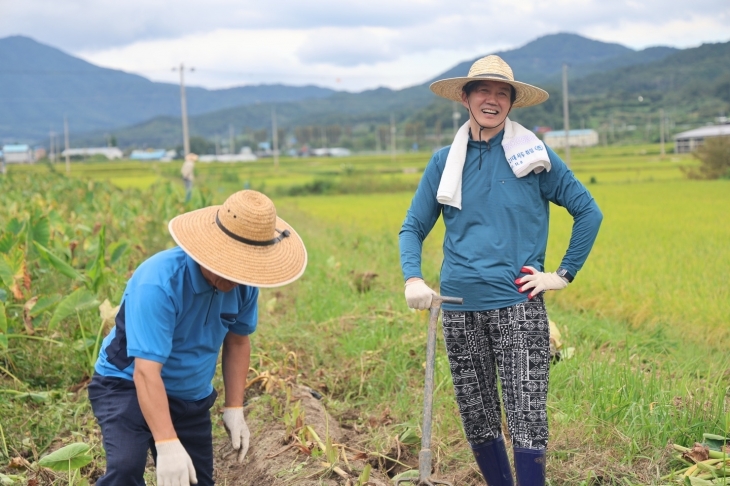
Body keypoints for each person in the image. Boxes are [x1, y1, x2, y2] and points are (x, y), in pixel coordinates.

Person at [399, 55, 602, 485]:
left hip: (518, 305)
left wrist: (561, 275)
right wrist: (413, 277)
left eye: (501, 93)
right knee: (478, 417)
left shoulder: (536, 158)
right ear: (466, 97)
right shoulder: (443, 162)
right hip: (456, 307)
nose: (492, 100)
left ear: (511, 102)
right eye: (483, 91)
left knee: (527, 417)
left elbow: (588, 212)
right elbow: (413, 226)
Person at [88, 190, 307, 486]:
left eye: (245, 270)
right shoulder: (159, 282)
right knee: (126, 469)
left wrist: (234, 408)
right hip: (126, 384)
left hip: (189, 394)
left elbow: (238, 341)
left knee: (196, 482)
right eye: (228, 267)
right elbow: (146, 372)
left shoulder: (244, 286)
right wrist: (166, 443)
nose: (235, 279)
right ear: (208, 249)